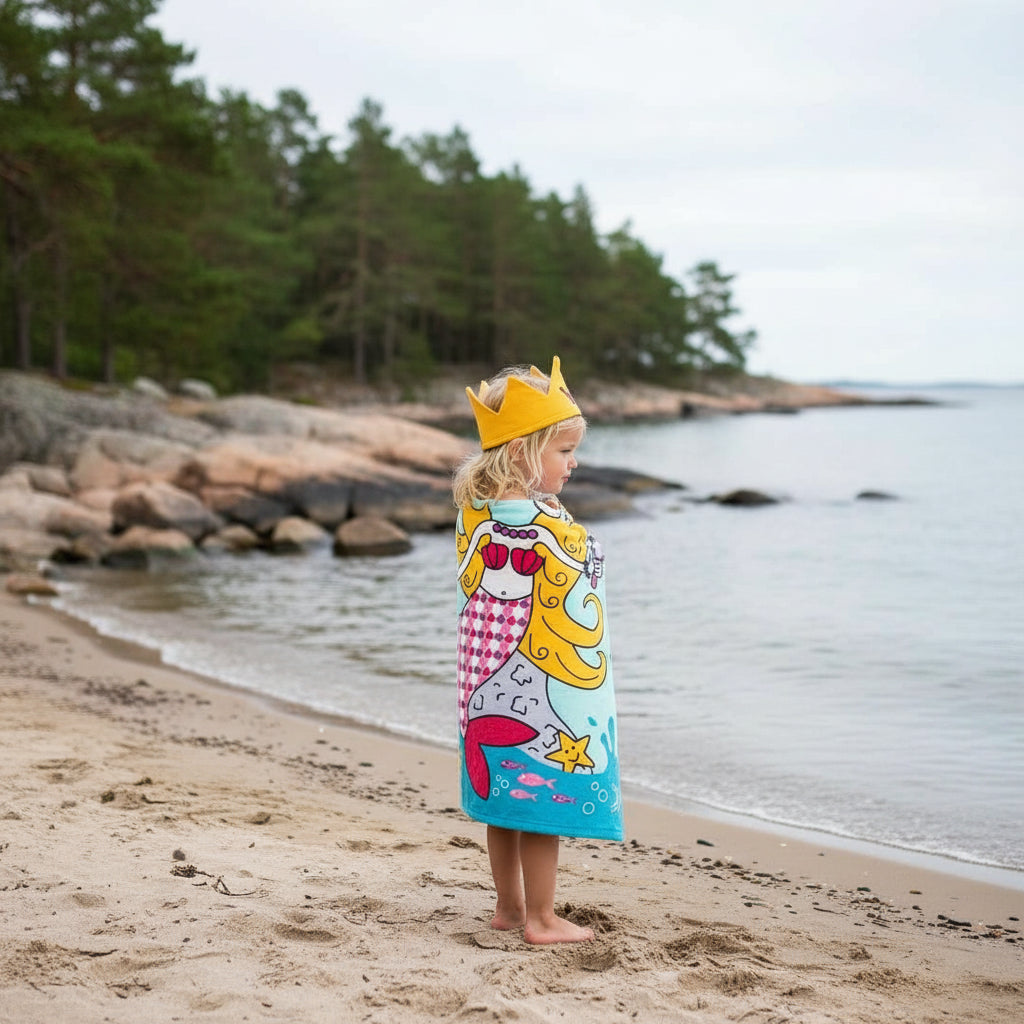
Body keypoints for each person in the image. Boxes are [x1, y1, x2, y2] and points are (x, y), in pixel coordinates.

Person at [453, 356, 623, 944]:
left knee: (503, 801)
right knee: (542, 803)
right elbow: (579, 560)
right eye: (564, 451)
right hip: (538, 697)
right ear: (525, 453)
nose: (573, 464)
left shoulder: (474, 513)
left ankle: (508, 907)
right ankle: (542, 919)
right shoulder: (542, 525)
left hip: (483, 692)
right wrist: (569, 530)